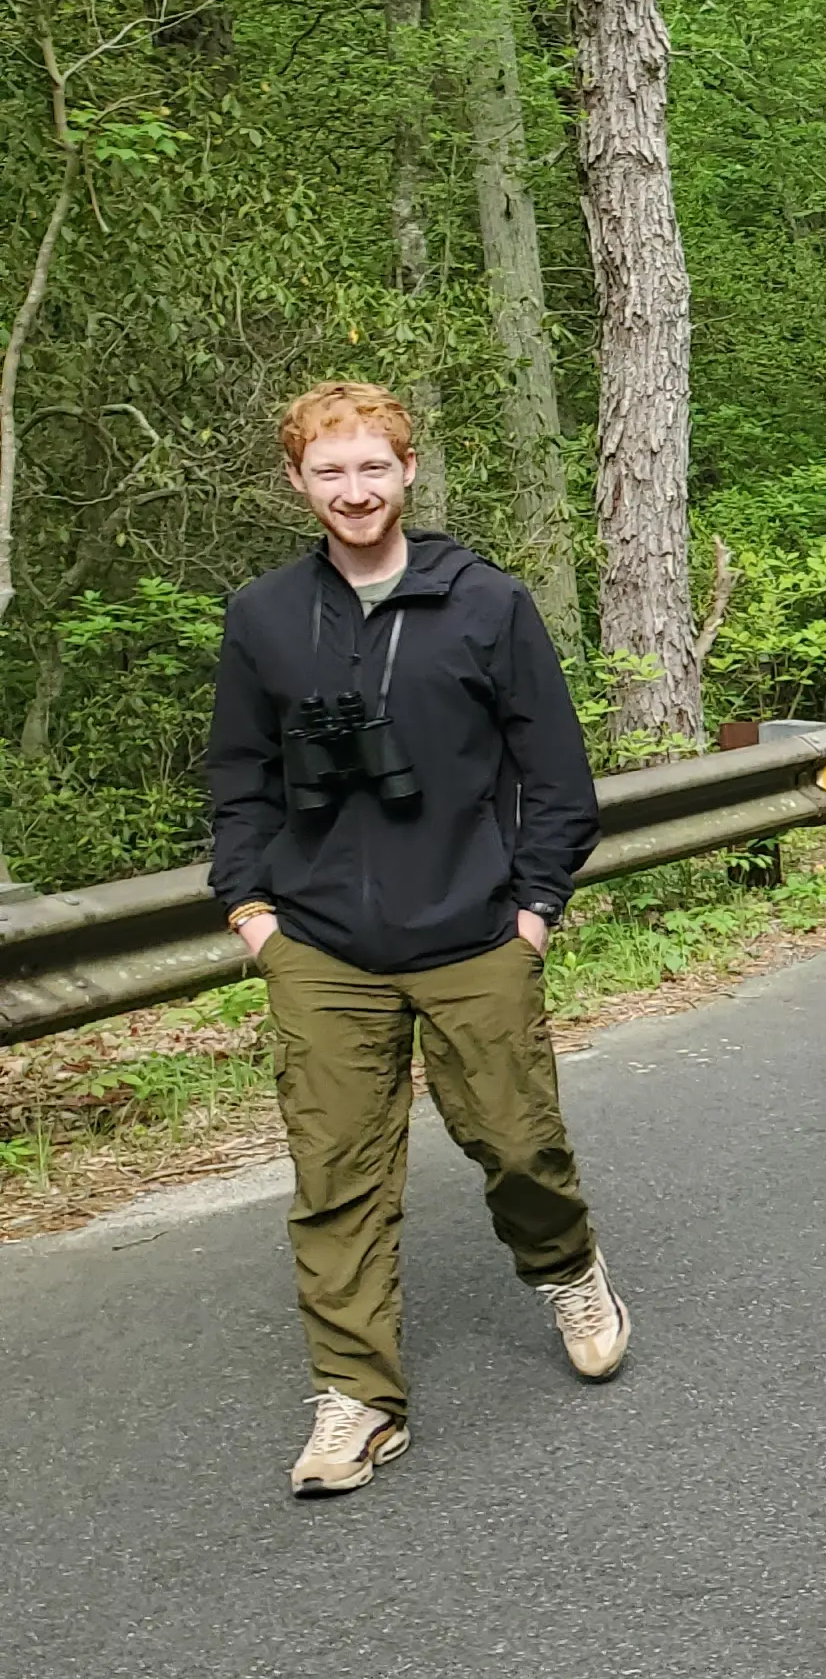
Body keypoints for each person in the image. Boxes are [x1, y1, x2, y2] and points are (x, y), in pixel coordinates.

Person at [207, 381, 623, 1498]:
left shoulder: (487, 604)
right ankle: (357, 1398)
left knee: (516, 1143)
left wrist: (531, 909)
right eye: (330, 471)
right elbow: (236, 775)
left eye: (373, 467)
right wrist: (252, 912)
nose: (354, 490)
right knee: (335, 1175)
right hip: (321, 948)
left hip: (473, 929)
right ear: (298, 482)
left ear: (408, 471)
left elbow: (559, 781)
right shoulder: (262, 617)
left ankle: (566, 1265)